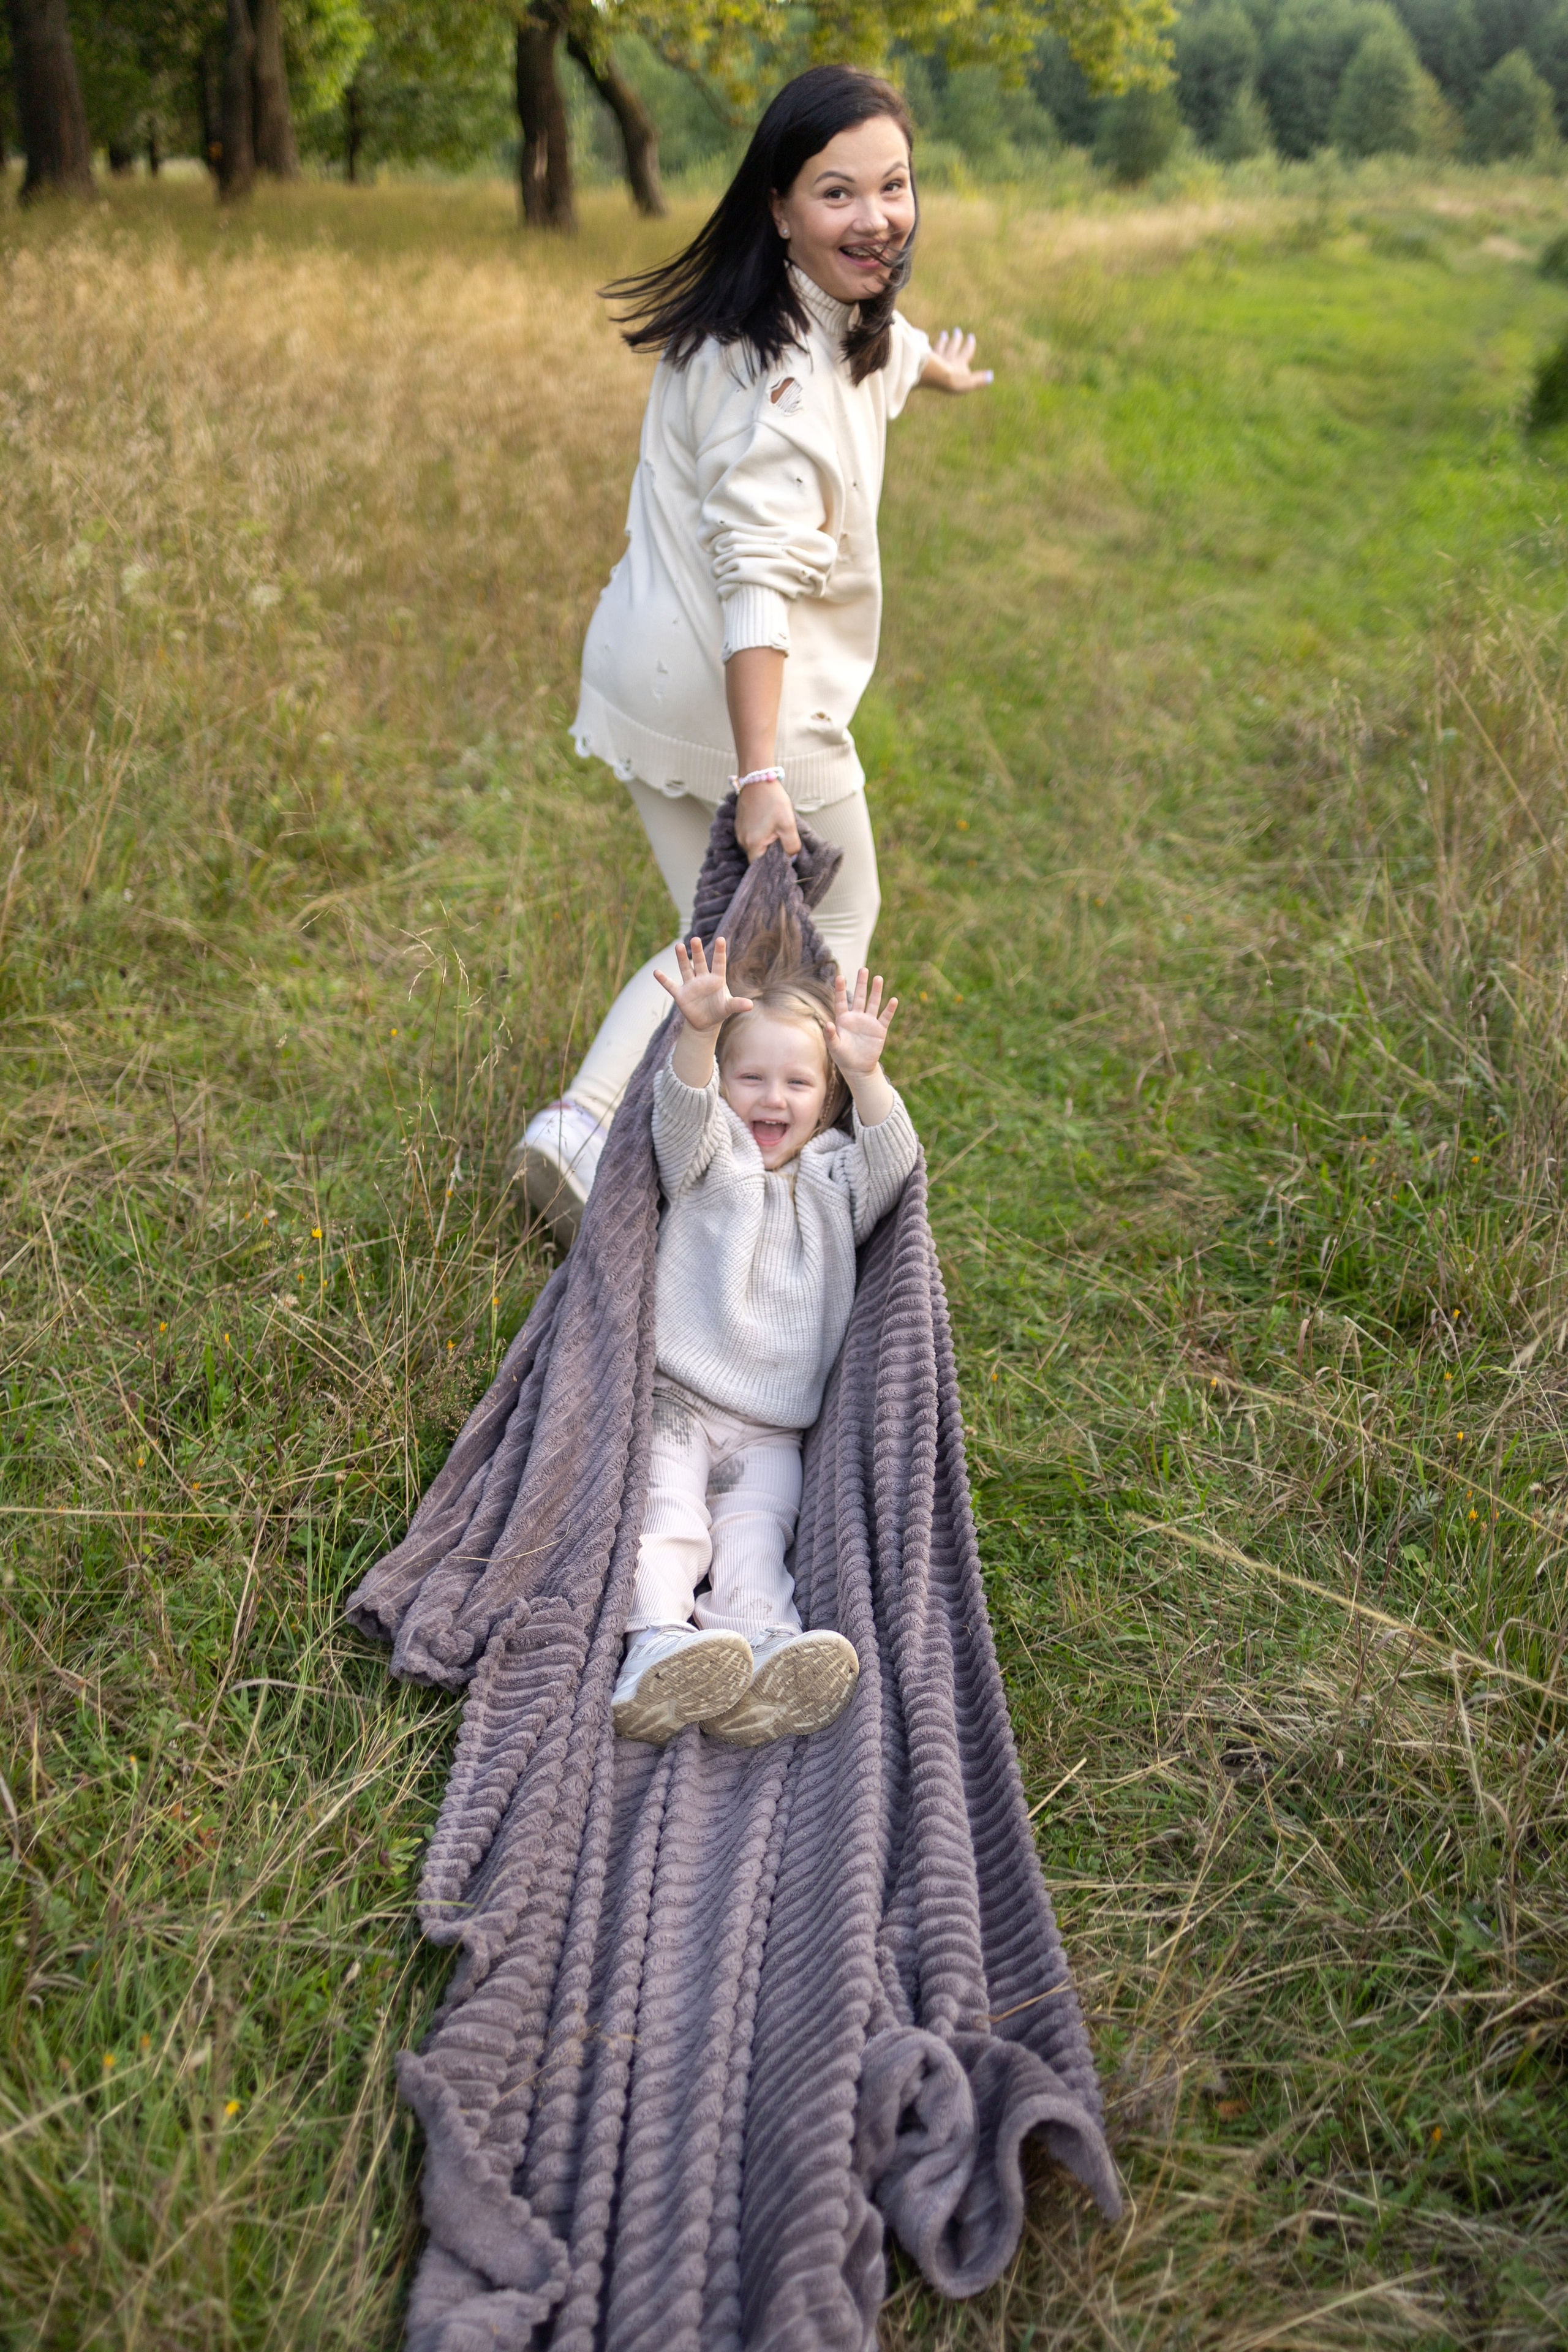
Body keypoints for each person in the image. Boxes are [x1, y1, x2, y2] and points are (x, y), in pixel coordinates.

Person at [514, 61, 991, 1242]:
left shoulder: (793, 308)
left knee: (716, 927)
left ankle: (588, 1129)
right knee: (823, 924)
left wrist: (942, 366)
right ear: (780, 205)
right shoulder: (782, 381)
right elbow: (760, 590)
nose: (876, 218)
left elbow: (885, 342)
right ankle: (774, 1179)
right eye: (838, 195)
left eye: (895, 187)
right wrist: (764, 772)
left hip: (642, 663)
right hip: (734, 687)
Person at [611, 927, 918, 1746]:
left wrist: (867, 1069)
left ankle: (759, 1659)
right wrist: (700, 1034)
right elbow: (678, 1108)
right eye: (751, 1079)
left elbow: (898, 1160)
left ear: (826, 1100)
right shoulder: (709, 1156)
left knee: (757, 1534)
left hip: (777, 1423)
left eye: (797, 1083)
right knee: (670, 1516)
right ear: (727, 1088)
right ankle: (654, 1647)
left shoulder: (837, 1176)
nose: (772, 1100)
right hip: (680, 1397)